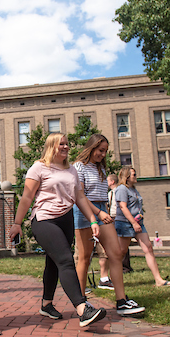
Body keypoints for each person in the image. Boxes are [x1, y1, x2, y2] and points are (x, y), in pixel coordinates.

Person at [9, 133, 107, 327]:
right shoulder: (39, 167)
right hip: (44, 219)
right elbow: (27, 197)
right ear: (51, 146)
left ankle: (46, 304)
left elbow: (79, 197)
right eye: (61, 144)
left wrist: (93, 220)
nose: (65, 147)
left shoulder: (71, 170)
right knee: (65, 259)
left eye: (67, 144)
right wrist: (17, 223)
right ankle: (82, 308)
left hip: (66, 219)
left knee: (54, 262)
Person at [73, 134, 145, 315]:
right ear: (91, 148)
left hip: (101, 209)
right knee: (85, 257)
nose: (103, 154)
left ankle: (121, 300)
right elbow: (80, 196)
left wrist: (104, 211)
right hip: (84, 211)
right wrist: (98, 213)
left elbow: (102, 195)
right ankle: (81, 303)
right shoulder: (78, 167)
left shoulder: (101, 169)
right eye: (100, 150)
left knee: (115, 253)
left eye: (105, 151)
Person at [115, 167, 170, 287]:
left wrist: (138, 221)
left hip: (139, 223)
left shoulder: (134, 189)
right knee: (121, 252)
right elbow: (123, 207)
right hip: (126, 224)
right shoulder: (122, 189)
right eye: (134, 174)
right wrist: (133, 223)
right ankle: (112, 279)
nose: (136, 176)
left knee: (148, 248)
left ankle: (158, 280)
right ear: (127, 176)